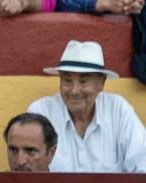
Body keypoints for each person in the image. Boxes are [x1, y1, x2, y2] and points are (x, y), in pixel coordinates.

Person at [27, 40, 146, 173]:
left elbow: (142, 166)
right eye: (67, 80)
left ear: (101, 83)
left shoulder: (118, 110)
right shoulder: (42, 112)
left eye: (83, 81)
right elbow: (29, 171)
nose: (74, 90)